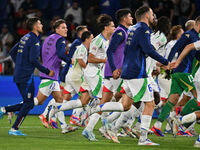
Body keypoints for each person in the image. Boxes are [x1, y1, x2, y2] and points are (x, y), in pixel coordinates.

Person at [85, 6, 169, 145]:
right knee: (150, 103)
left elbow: (129, 51)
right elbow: (146, 49)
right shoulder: (141, 29)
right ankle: (142, 138)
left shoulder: (132, 29)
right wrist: (165, 62)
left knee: (125, 105)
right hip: (136, 72)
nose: (154, 16)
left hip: (127, 71)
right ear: (147, 16)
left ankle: (100, 109)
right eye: (152, 14)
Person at [48, 14, 115, 140]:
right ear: (106, 28)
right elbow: (90, 58)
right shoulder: (98, 40)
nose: (114, 28)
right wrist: (104, 60)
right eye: (112, 26)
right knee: (104, 100)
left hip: (90, 74)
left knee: (84, 101)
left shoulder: (106, 41)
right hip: (93, 73)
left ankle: (57, 107)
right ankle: (98, 127)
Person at [83, 8, 133, 140]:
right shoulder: (114, 34)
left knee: (105, 102)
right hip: (109, 72)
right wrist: (114, 67)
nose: (114, 28)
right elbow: (101, 54)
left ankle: (89, 129)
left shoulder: (116, 36)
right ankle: (107, 122)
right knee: (129, 102)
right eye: (112, 26)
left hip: (109, 72)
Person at [0, 17, 54, 136]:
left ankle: (4, 110)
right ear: (35, 26)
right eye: (40, 23)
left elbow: (12, 52)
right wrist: (46, 71)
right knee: (29, 103)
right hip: (26, 76)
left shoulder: (25, 37)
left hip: (19, 73)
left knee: (27, 102)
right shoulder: (34, 40)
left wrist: (20, 64)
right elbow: (33, 60)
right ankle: (13, 128)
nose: (42, 25)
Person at [152, 16, 200, 137]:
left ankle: (157, 126)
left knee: (173, 99)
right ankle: (180, 122)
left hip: (180, 72)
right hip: (184, 72)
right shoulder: (189, 35)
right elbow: (175, 47)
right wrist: (168, 62)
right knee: (197, 97)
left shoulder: (195, 37)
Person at [34, 19, 79, 134]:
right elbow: (60, 54)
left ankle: (64, 126)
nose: (66, 29)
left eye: (66, 27)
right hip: (51, 75)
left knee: (59, 101)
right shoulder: (61, 40)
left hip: (47, 73)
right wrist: (70, 60)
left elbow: (45, 54)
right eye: (63, 27)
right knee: (37, 102)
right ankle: (10, 109)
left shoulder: (48, 38)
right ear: (57, 29)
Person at [39, 25, 88, 128]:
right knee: (84, 96)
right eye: (85, 33)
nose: (87, 35)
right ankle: (75, 117)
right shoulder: (79, 43)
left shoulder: (75, 42)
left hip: (67, 72)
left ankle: (55, 120)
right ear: (80, 34)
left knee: (63, 98)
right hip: (72, 74)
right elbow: (74, 59)